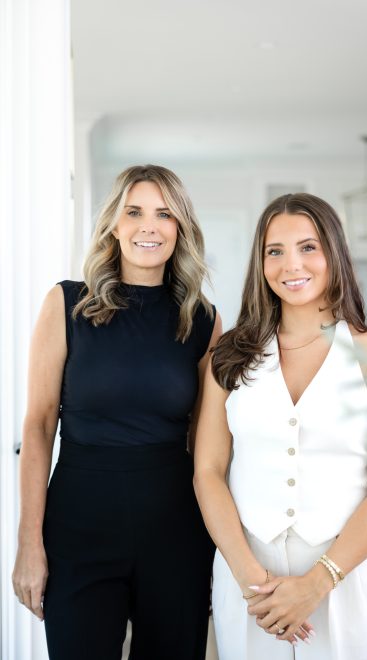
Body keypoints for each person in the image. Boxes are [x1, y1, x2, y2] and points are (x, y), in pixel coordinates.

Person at [12, 164, 222, 660]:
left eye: (164, 214)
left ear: (181, 229)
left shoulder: (203, 320)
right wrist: (28, 543)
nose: (149, 226)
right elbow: (39, 426)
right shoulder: (66, 305)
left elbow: (210, 444)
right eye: (135, 212)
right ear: (113, 223)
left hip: (176, 531)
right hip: (78, 529)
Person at [194, 192, 367, 660]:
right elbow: (208, 471)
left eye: (308, 247)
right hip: (249, 583)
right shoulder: (228, 358)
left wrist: (317, 583)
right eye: (275, 251)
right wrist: (251, 580)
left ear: (334, 252)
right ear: (261, 262)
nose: (292, 264)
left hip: (342, 579)